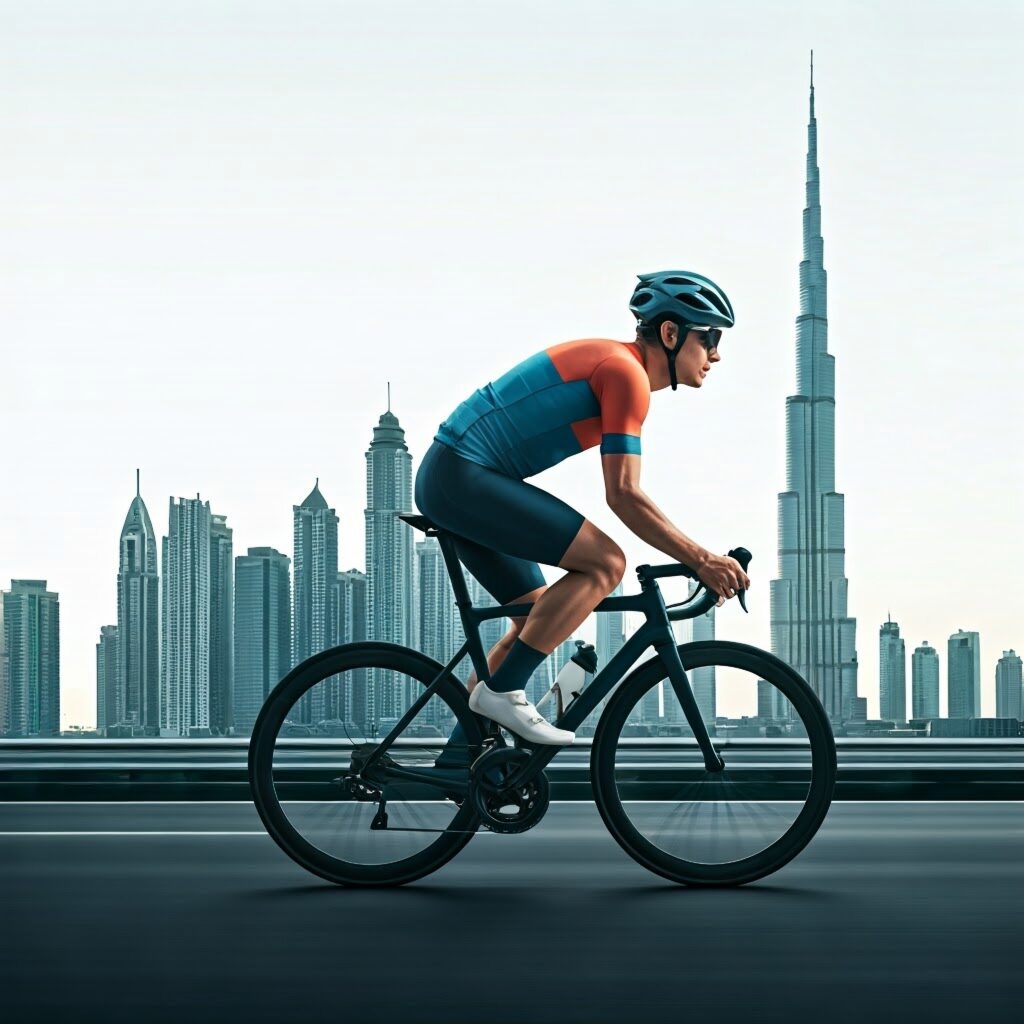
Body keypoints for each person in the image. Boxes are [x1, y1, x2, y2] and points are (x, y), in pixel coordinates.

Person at [414, 270, 751, 759]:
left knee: (536, 615)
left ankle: (462, 762)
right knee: (605, 564)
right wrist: (701, 559)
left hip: (455, 476)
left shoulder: (621, 368)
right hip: (461, 474)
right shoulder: (626, 374)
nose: (716, 354)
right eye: (710, 339)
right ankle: (502, 694)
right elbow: (624, 494)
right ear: (670, 333)